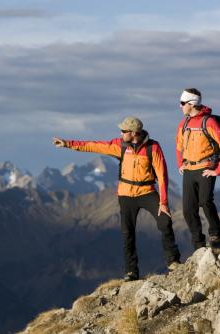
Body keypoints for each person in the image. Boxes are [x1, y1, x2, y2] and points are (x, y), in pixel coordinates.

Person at [53, 116, 181, 281]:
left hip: (147, 192)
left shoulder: (153, 147)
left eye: (123, 131)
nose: (120, 133)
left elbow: (162, 176)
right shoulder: (119, 145)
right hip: (126, 195)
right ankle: (131, 272)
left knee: (165, 221)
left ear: (134, 133)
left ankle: (173, 262)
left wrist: (163, 202)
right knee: (128, 233)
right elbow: (93, 146)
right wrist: (67, 143)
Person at [176, 88, 220, 250]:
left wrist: (217, 170)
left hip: (205, 169)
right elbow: (179, 146)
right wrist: (180, 163)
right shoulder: (184, 123)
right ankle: (198, 243)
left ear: (192, 104)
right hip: (188, 170)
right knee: (188, 210)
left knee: (206, 202)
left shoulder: (209, 122)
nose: (180, 106)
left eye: (182, 103)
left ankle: (215, 234)